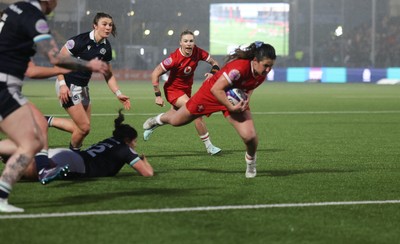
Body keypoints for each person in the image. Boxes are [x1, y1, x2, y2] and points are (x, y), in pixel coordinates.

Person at [0, 0, 109, 212]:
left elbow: (30, 71)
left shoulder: (14, 10)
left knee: (38, 131)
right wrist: (88, 65)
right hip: (4, 86)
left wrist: (65, 72)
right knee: (31, 142)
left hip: (9, 87)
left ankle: (39, 171)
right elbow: (54, 57)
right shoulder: (33, 16)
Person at [143, 41, 276, 178]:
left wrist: (246, 98)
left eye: (270, 67)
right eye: (265, 66)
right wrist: (230, 106)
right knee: (177, 121)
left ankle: (251, 162)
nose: (267, 70)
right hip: (210, 94)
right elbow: (216, 89)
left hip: (233, 98)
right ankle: (158, 120)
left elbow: (250, 86)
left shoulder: (262, 73)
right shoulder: (238, 69)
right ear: (255, 60)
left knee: (250, 136)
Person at [45, 12, 131, 153]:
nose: (108, 27)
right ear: (95, 26)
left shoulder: (106, 47)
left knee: (82, 128)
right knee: (84, 128)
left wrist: (118, 93)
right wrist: (62, 85)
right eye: (104, 24)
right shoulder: (79, 41)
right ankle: (74, 156)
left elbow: (108, 74)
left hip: (83, 87)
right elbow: (57, 62)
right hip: (68, 85)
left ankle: (47, 121)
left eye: (110, 25)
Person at [2, 110, 153, 180]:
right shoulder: (124, 148)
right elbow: (147, 173)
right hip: (75, 164)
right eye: (134, 140)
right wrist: (145, 161)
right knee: (26, 171)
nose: (135, 144)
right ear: (127, 139)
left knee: (24, 153)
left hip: (68, 155)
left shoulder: (109, 141)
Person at [147, 29, 221, 155]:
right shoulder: (174, 58)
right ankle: (209, 147)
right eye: (185, 41)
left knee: (175, 116)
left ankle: (155, 121)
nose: (188, 44)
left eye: (191, 41)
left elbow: (215, 63)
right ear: (180, 43)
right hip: (173, 90)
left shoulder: (198, 52)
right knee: (196, 111)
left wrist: (212, 73)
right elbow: (155, 73)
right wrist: (158, 95)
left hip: (186, 90)